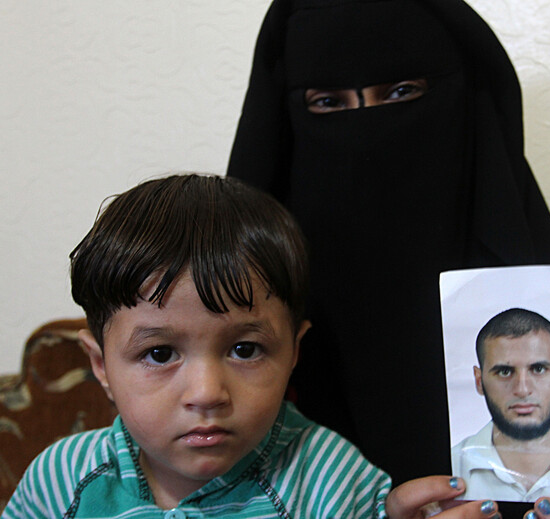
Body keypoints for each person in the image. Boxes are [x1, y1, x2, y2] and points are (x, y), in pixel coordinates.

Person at [227, 3, 550, 511]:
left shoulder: (541, 304)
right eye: (327, 103)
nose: (367, 129)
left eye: (401, 93)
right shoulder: (238, 329)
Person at [0, 174, 504, 519]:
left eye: (244, 350)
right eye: (159, 354)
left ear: (293, 352)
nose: (206, 393)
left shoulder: (329, 480)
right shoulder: (62, 480)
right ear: (100, 365)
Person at [452, 309, 550, 502]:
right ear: (479, 381)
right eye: (504, 372)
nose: (522, 389)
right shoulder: (447, 469)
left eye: (539, 369)